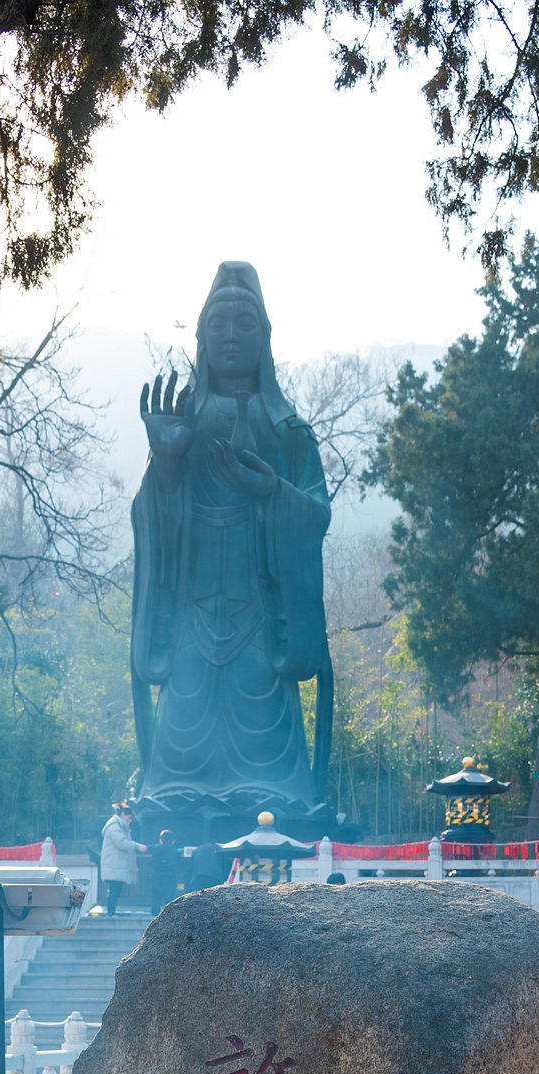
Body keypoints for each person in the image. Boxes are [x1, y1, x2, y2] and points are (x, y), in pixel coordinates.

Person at [131, 262, 334, 826]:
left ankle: (278, 801)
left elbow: (316, 514)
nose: (229, 336)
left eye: (244, 324)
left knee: (262, 722)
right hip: (194, 606)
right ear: (200, 337)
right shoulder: (183, 420)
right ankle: (172, 797)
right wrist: (167, 465)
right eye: (218, 324)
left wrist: (270, 491)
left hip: (258, 613)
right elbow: (150, 516)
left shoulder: (290, 431)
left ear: (265, 337)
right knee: (186, 712)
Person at [100, 802, 147, 916]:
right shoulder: (114, 826)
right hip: (114, 865)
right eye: (129, 818)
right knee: (114, 891)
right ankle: (111, 913)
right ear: (122, 815)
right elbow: (121, 843)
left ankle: (112, 912)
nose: (130, 821)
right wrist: (137, 846)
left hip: (115, 865)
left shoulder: (119, 826)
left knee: (115, 890)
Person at [150, 828, 182, 915]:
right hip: (170, 878)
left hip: (158, 877)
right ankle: (167, 916)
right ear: (173, 841)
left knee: (156, 898)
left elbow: (152, 862)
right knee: (169, 899)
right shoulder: (175, 852)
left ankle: (154, 915)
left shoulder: (155, 850)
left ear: (160, 840)